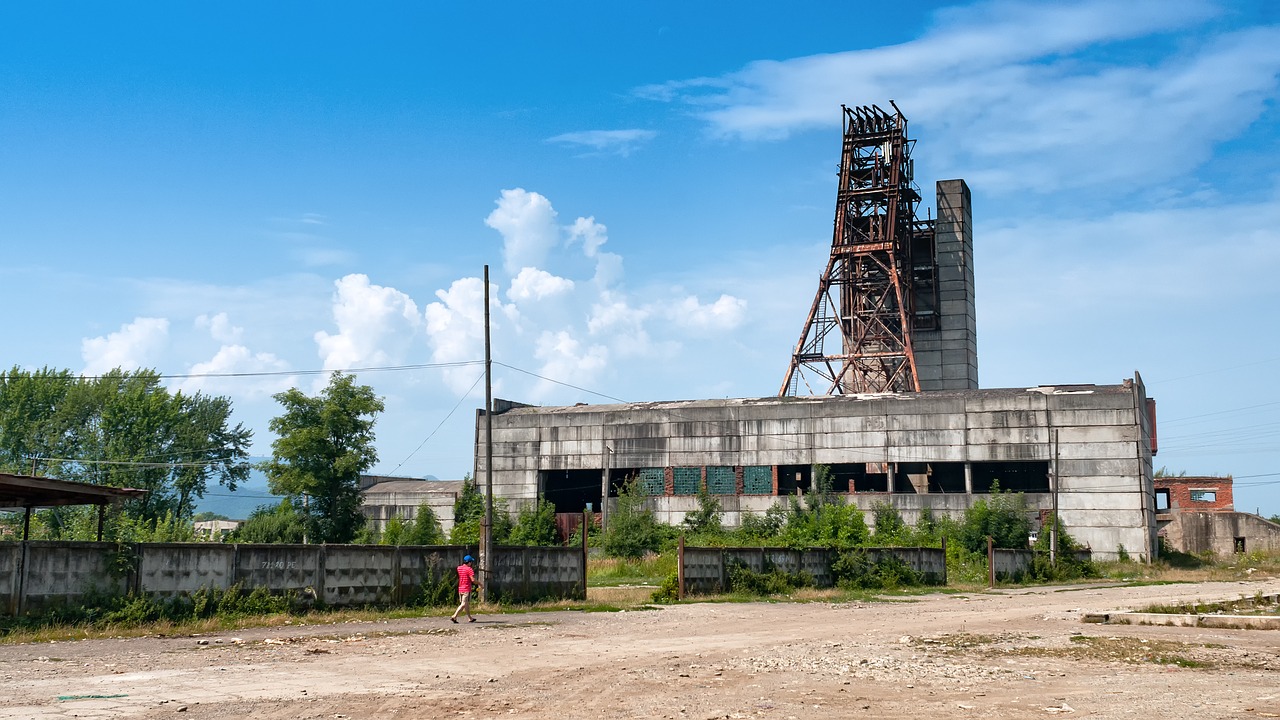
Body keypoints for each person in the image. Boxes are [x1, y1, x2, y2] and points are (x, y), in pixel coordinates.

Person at [450, 554, 480, 623]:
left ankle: (470, 618)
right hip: (466, 588)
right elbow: (473, 580)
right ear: (469, 562)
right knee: (463, 604)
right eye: (471, 562)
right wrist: (480, 584)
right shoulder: (469, 569)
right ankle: (454, 616)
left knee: (466, 604)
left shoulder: (459, 568)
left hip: (460, 588)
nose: (471, 563)